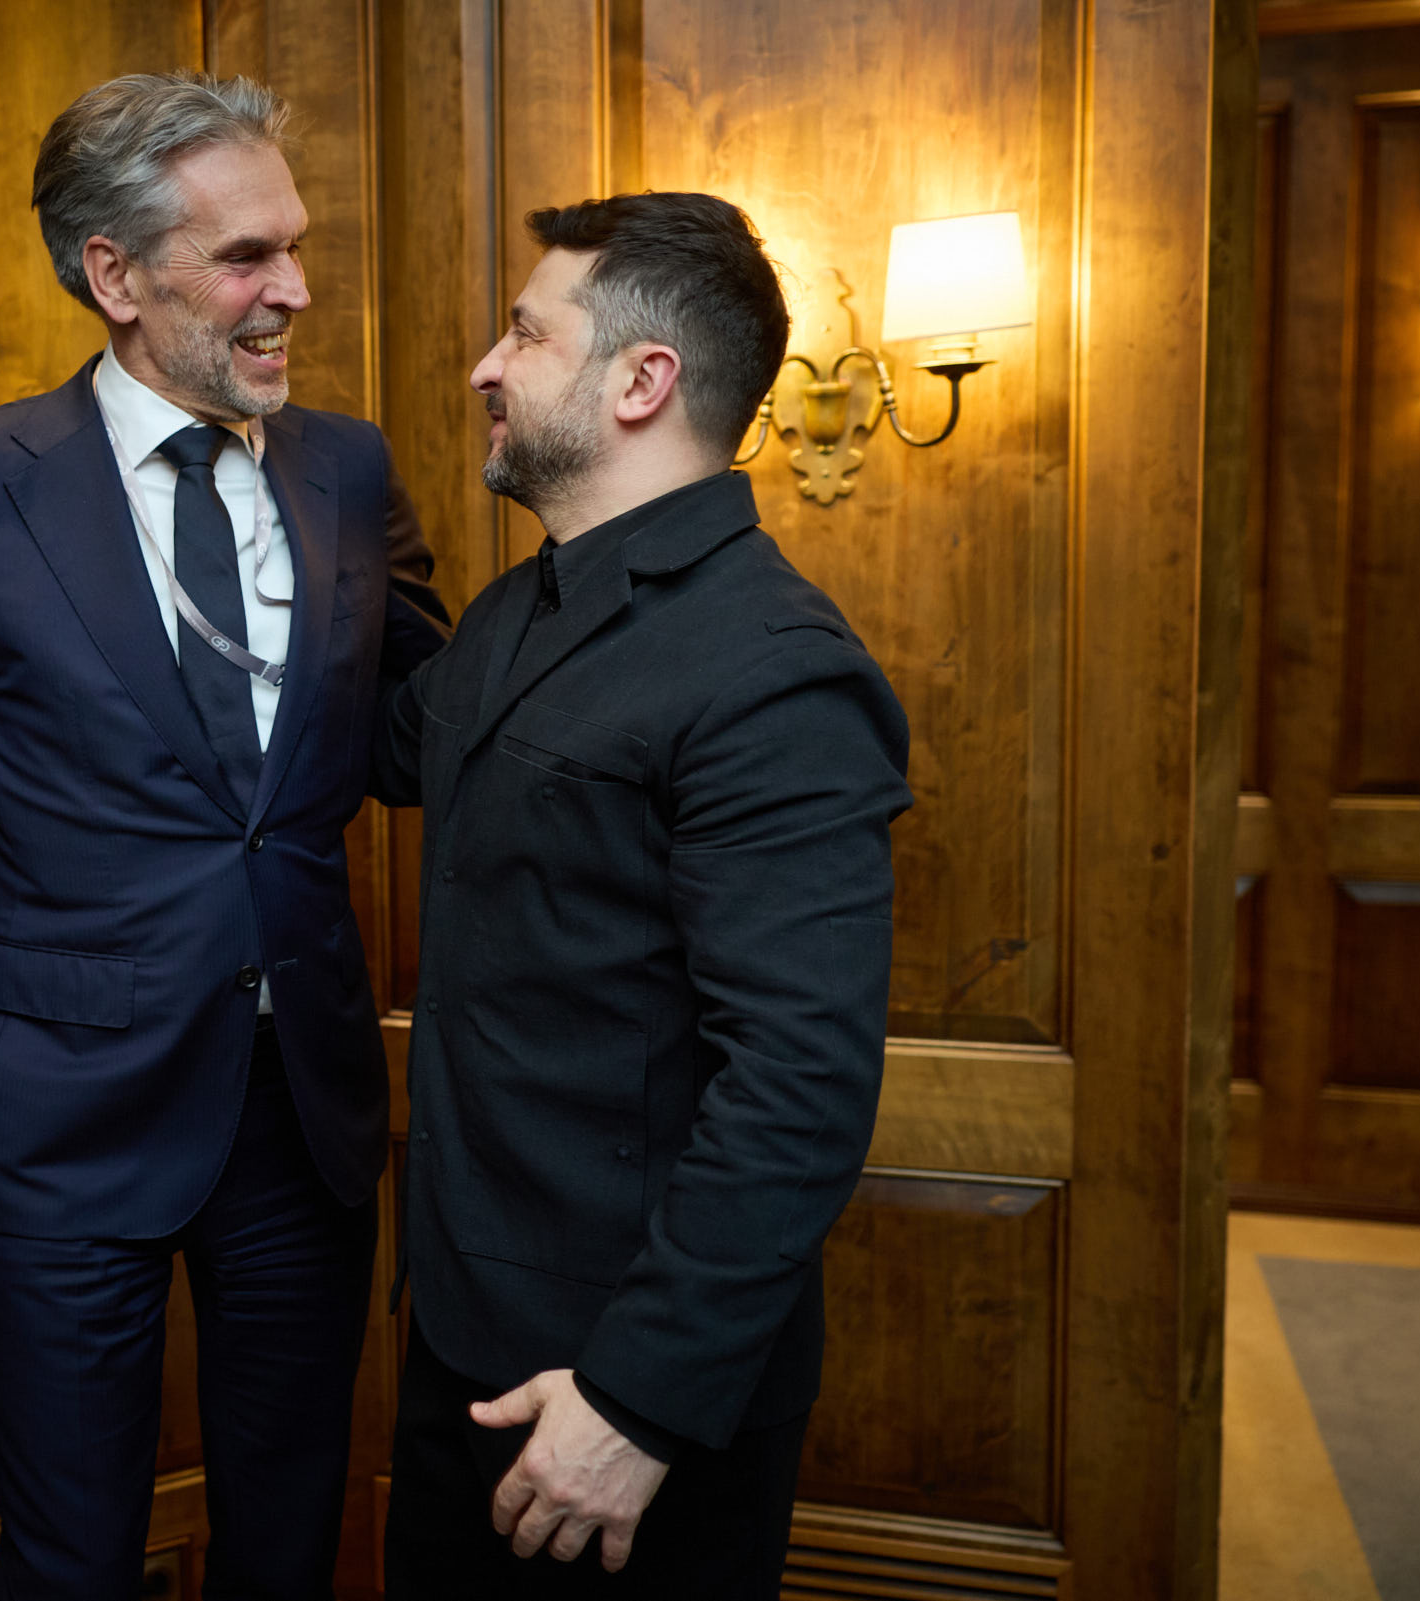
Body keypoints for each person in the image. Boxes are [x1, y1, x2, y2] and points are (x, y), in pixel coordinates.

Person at [0, 72, 450, 1600]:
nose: (295, 289)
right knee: (69, 1563)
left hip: (306, 1117)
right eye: (247, 256)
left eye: (296, 245)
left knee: (290, 1547)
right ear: (114, 274)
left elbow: (433, 724)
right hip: (63, 1127)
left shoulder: (348, 469)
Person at [372, 192, 913, 1596]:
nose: (486, 366)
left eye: (525, 333)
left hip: (621, 1391)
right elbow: (374, 745)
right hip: (463, 1333)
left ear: (641, 380)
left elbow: (798, 1082)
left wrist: (638, 1402)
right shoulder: (516, 609)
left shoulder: (776, 668)